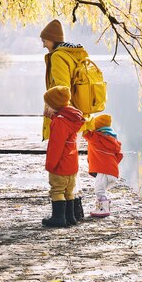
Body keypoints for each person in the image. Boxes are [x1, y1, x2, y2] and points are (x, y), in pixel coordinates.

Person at [40, 19, 90, 220]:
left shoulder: (59, 57)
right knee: (71, 162)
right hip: (76, 114)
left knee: (62, 164)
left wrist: (52, 109)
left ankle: (63, 216)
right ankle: (74, 214)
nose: (43, 44)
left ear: (52, 40)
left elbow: (62, 89)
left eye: (44, 40)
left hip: (66, 115)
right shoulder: (73, 54)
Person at [42, 86, 85, 227]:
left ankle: (58, 218)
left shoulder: (60, 122)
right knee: (69, 191)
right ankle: (70, 217)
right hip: (71, 163)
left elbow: (56, 146)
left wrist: (50, 165)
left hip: (60, 164)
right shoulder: (69, 118)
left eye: (47, 104)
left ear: (54, 105)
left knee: (57, 190)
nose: (45, 106)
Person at [82, 114, 123, 217]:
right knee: (101, 190)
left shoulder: (95, 137)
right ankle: (102, 206)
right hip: (113, 172)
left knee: (99, 190)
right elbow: (118, 155)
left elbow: (84, 131)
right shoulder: (113, 139)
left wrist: (86, 119)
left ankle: (104, 209)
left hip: (104, 171)